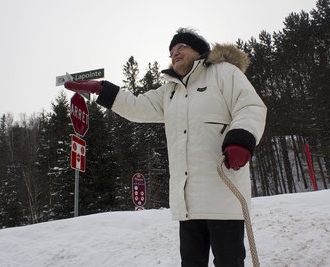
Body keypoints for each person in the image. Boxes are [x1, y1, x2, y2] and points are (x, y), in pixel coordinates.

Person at [64, 27, 267, 267]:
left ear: (199, 51)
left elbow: (250, 106)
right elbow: (137, 106)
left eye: (182, 47)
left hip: (224, 195)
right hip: (187, 204)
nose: (175, 53)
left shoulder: (224, 73)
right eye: (171, 51)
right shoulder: (169, 91)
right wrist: (103, 90)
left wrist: (241, 139)